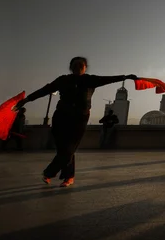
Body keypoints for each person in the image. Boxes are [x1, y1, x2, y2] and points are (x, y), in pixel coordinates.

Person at [14, 57, 137, 187]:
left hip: (79, 118)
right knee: (63, 149)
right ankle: (69, 176)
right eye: (75, 65)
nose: (78, 67)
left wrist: (125, 77)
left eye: (80, 65)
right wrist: (27, 99)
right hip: (61, 116)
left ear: (85, 67)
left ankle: (50, 173)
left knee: (70, 148)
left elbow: (108, 79)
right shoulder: (63, 80)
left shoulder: (90, 79)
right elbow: (45, 90)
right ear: (71, 67)